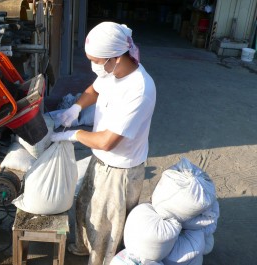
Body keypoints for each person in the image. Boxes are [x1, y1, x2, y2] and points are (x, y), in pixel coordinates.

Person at [50, 22, 156, 265]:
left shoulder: (139, 90)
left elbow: (107, 141)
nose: (93, 65)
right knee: (83, 206)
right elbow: (94, 90)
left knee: (104, 228)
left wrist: (73, 135)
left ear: (116, 58)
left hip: (120, 171)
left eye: (96, 60)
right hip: (101, 161)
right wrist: (76, 107)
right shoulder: (111, 73)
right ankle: (81, 248)